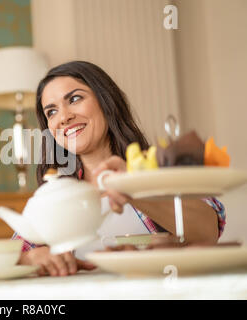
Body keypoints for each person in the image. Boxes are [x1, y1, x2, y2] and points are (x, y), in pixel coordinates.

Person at [14, 61, 225, 277]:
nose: (63, 117)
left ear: (106, 101)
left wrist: (134, 187)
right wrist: (28, 258)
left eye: (75, 99)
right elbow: (6, 258)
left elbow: (207, 232)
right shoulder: (55, 194)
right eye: (51, 111)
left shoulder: (161, 167)